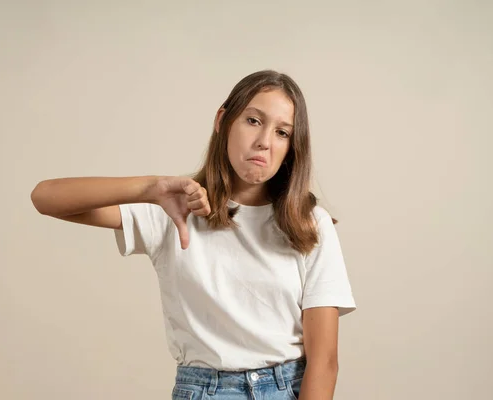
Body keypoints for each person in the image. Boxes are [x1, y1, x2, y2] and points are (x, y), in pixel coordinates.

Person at [31, 70, 356, 400]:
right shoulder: (173, 206)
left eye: (282, 132)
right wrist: (149, 188)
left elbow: (324, 361)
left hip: (287, 390)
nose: (265, 141)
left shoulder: (308, 224)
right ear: (223, 120)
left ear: (291, 147)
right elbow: (45, 198)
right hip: (205, 391)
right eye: (254, 121)